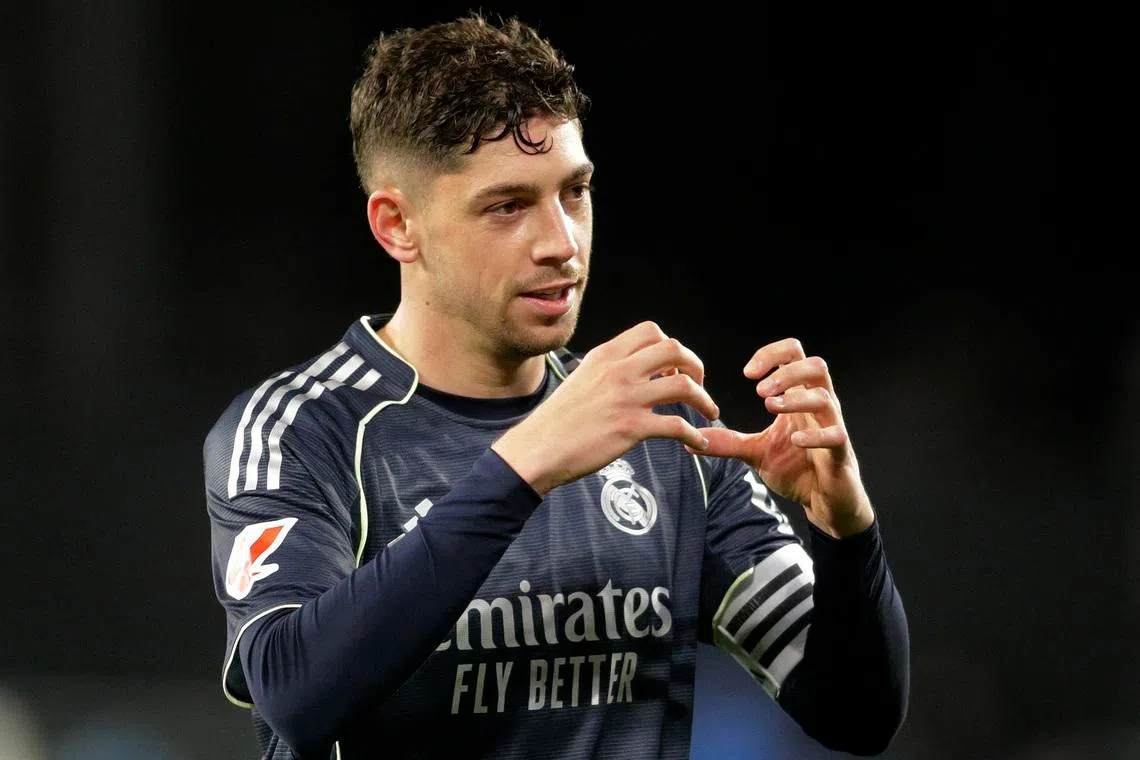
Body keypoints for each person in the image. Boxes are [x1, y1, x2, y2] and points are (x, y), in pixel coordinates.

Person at [203, 12, 910, 760]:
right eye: (507, 206)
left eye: (573, 192)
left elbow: (856, 714)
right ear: (396, 226)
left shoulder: (664, 433)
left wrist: (846, 531)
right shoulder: (302, 431)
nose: (561, 243)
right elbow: (295, 695)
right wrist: (522, 465)